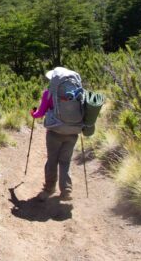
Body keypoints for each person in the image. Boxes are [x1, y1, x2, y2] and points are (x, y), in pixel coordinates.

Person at [30, 67, 85, 202]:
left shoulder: (48, 94)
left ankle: (49, 189)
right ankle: (66, 191)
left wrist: (33, 113)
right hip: (73, 132)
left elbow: (40, 114)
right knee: (65, 162)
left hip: (54, 133)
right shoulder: (76, 94)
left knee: (52, 161)